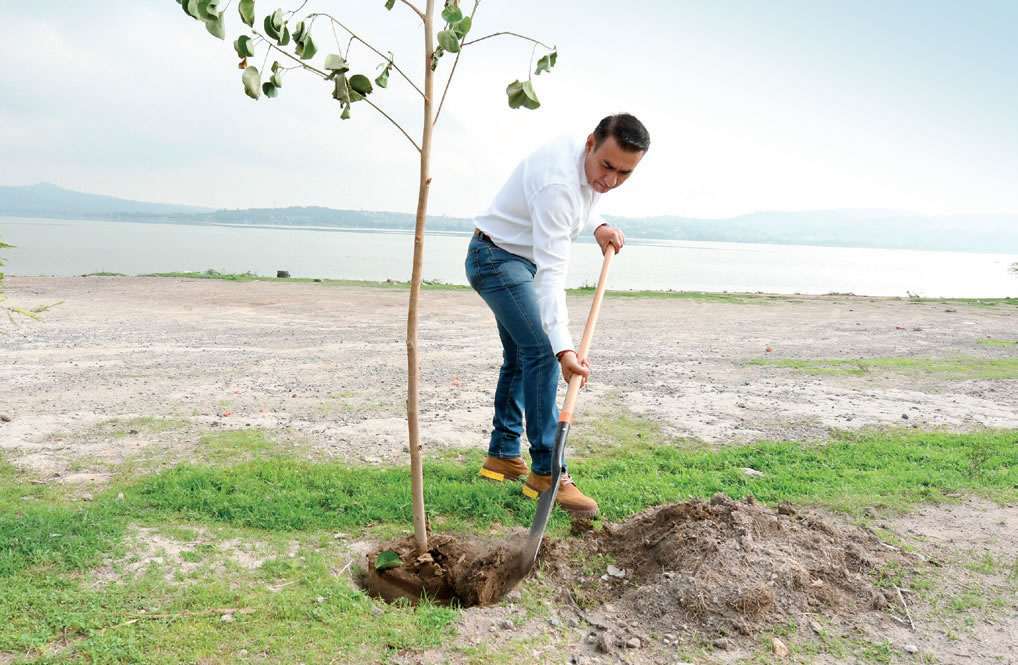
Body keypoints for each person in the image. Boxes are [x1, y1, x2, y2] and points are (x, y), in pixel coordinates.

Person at [464, 113, 650, 518]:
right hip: (497, 259)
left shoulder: (585, 165)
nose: (612, 180)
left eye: (625, 173)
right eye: (607, 166)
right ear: (590, 143)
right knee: (541, 351)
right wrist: (564, 350)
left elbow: (589, 195)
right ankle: (548, 471)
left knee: (519, 358)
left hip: (512, 256)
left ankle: (502, 454)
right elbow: (553, 276)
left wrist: (598, 223)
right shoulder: (557, 187)